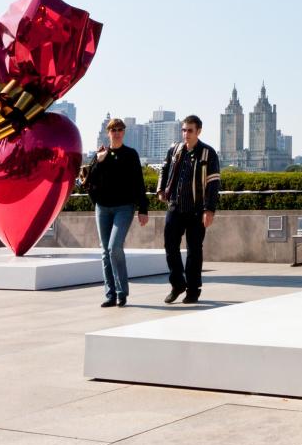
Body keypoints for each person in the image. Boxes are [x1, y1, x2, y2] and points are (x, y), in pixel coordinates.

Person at [80, 118, 148, 307]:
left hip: (124, 207)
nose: (117, 132)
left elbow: (138, 183)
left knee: (114, 247)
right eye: (113, 130)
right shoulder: (100, 154)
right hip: (102, 207)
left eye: (120, 129)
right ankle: (110, 294)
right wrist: (99, 161)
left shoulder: (130, 154)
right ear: (108, 133)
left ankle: (121, 292)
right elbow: (88, 181)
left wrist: (143, 208)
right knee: (104, 251)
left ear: (124, 132)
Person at [156, 115, 220, 304]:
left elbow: (213, 183)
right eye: (184, 130)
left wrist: (209, 210)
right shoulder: (174, 150)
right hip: (175, 207)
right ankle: (177, 284)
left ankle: (193, 290)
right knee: (170, 247)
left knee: (194, 251)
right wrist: (161, 190)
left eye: (190, 130)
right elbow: (164, 169)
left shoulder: (208, 153)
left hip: (196, 210)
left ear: (198, 131)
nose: (186, 134)